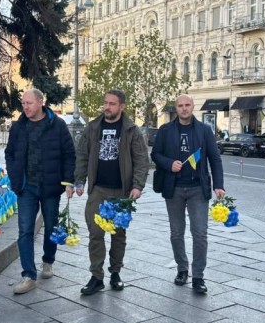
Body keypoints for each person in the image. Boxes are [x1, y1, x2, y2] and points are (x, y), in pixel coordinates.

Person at [74, 89, 149, 295]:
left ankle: (115, 273)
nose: (107, 107)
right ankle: (96, 277)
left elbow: (142, 160)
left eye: (112, 104)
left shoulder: (131, 130)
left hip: (121, 191)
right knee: (95, 234)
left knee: (118, 234)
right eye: (105, 103)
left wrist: (137, 185)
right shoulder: (93, 127)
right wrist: (79, 181)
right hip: (98, 189)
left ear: (122, 107)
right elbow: (82, 155)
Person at [151, 94, 225, 294]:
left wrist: (219, 185)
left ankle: (198, 276)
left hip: (197, 189)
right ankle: (182, 269)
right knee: (177, 233)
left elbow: (215, 160)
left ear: (193, 107)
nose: (184, 109)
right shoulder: (166, 130)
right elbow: (155, 154)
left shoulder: (204, 130)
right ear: (176, 108)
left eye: (187, 105)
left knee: (200, 233)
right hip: (173, 188)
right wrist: (169, 163)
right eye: (180, 106)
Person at [5, 89, 76, 294]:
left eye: (29, 103)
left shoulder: (57, 125)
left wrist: (68, 181)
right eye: (23, 103)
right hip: (26, 187)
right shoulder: (19, 127)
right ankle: (28, 275)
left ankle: (48, 260)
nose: (25, 107)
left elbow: (68, 154)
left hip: (50, 186)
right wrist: (14, 176)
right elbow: (9, 153)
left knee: (51, 226)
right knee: (25, 230)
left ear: (40, 102)